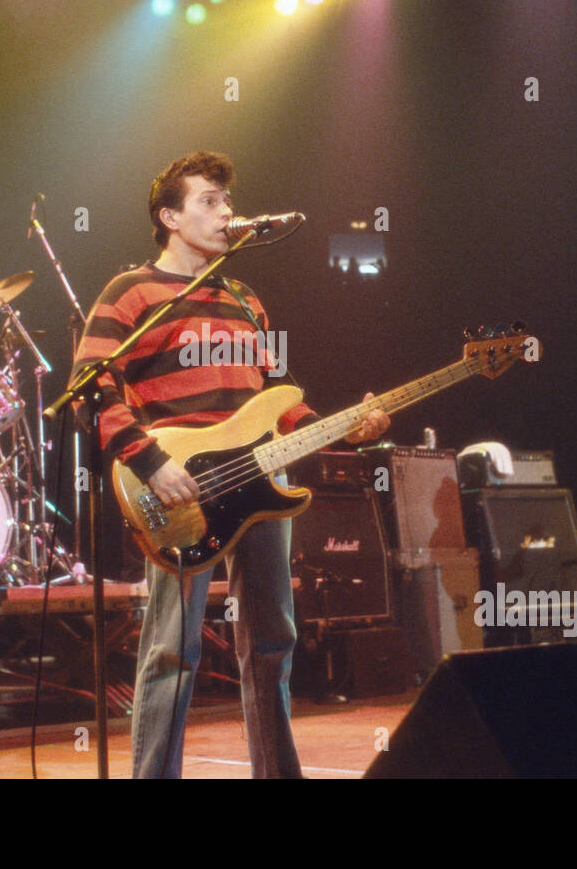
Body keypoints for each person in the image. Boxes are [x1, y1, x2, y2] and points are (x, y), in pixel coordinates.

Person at [71, 151, 388, 778]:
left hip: (264, 483)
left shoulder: (244, 298)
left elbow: (278, 399)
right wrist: (151, 462)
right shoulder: (131, 292)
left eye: (227, 201)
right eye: (209, 201)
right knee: (173, 649)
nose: (227, 213)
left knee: (274, 641)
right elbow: (90, 387)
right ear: (169, 216)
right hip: (181, 484)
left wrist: (346, 428)